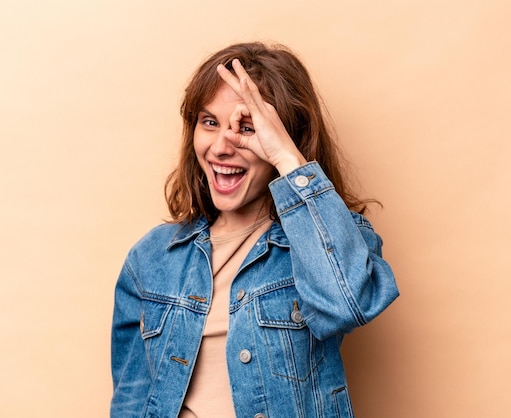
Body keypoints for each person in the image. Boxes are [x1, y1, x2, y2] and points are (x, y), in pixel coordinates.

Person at [110, 41, 399, 418]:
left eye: (248, 127)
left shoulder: (327, 239)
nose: (221, 146)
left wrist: (287, 158)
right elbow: (132, 402)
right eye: (209, 122)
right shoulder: (151, 259)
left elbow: (348, 305)